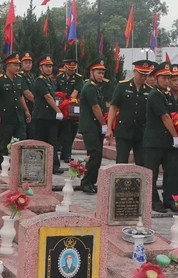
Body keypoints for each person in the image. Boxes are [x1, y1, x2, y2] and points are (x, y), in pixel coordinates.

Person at [143, 61, 178, 213]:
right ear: (156, 78)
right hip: (154, 141)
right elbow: (165, 117)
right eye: (164, 78)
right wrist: (176, 136)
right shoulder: (155, 95)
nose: (167, 81)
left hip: (167, 142)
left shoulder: (164, 94)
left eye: (168, 78)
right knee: (151, 174)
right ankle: (153, 201)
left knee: (172, 171)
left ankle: (170, 199)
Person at [106, 59, 151, 166]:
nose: (143, 77)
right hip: (124, 130)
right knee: (121, 162)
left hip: (141, 131)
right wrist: (109, 129)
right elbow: (113, 107)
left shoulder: (149, 90)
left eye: (146, 75)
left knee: (142, 163)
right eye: (141, 74)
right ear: (134, 71)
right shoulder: (122, 86)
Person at [0, 52, 32, 166]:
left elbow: (21, 96)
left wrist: (26, 111)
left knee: (22, 141)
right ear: (8, 66)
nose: (18, 67)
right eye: (15, 65)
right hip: (5, 117)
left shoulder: (19, 79)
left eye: (19, 65)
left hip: (19, 116)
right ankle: (3, 167)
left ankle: (19, 166)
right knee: (4, 144)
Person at [78, 58, 108, 194]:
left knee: (97, 155)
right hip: (90, 127)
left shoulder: (95, 87)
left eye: (102, 73)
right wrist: (104, 124)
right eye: (99, 73)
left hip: (94, 127)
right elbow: (95, 107)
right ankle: (86, 182)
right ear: (92, 72)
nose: (101, 75)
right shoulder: (89, 87)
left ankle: (91, 181)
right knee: (94, 155)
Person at [32, 55, 65, 174]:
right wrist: (58, 111)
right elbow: (48, 97)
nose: (49, 69)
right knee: (40, 142)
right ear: (41, 68)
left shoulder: (49, 80)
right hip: (41, 116)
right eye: (46, 66)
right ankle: (39, 165)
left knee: (52, 142)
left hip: (49, 117)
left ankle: (53, 166)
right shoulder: (39, 80)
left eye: (50, 66)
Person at [56, 59, 83, 163]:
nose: (71, 71)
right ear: (65, 67)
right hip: (62, 107)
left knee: (71, 132)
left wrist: (68, 102)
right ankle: (65, 153)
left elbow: (75, 92)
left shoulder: (78, 78)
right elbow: (57, 92)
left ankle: (66, 153)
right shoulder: (60, 77)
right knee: (64, 132)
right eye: (69, 69)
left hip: (72, 107)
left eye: (73, 69)